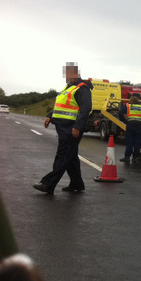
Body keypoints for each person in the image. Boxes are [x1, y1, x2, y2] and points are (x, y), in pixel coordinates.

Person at [33, 63, 93, 194]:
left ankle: (49, 184)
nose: (66, 76)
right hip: (63, 127)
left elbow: (85, 110)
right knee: (70, 157)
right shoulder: (69, 87)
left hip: (71, 129)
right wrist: (50, 116)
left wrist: (77, 127)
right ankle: (77, 184)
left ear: (76, 74)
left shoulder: (83, 89)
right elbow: (62, 107)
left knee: (63, 155)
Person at [118, 94, 141, 162]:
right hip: (138, 126)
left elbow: (120, 113)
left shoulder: (127, 105)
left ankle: (127, 157)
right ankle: (135, 157)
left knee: (129, 142)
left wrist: (124, 121)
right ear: (138, 99)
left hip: (130, 125)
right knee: (137, 142)